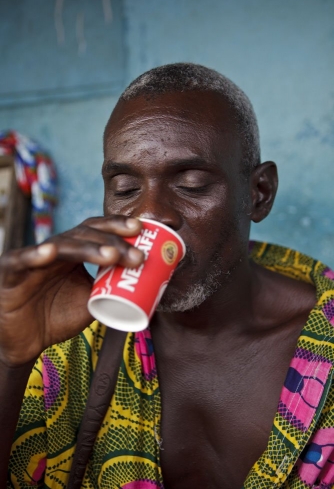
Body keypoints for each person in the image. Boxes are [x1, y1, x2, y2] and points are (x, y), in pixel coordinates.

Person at [1, 63, 334, 489]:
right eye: (124, 188)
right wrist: (10, 360)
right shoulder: (66, 339)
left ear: (259, 193)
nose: (150, 213)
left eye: (192, 184)